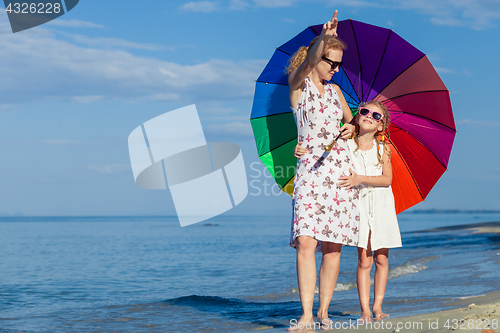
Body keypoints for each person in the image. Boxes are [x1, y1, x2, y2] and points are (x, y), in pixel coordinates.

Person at [294, 101, 402, 323]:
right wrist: (300, 149)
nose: (369, 116)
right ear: (356, 116)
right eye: (364, 112)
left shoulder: (384, 149)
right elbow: (323, 152)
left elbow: (388, 179)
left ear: (381, 126)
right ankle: (364, 310)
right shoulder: (346, 145)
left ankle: (378, 306)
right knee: (364, 260)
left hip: (380, 206)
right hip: (357, 205)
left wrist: (360, 178)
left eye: (376, 115)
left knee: (381, 257)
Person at [287, 10, 360, 330]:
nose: (335, 68)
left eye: (339, 64)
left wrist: (351, 130)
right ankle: (305, 314)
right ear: (316, 59)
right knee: (306, 241)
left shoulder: (337, 91)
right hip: (309, 171)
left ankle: (323, 312)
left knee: (333, 245)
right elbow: (306, 65)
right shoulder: (299, 86)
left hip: (338, 171)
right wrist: (323, 37)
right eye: (331, 62)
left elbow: (352, 123)